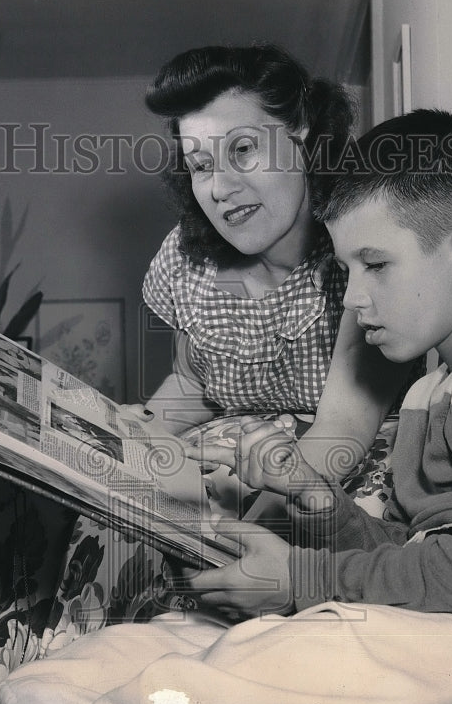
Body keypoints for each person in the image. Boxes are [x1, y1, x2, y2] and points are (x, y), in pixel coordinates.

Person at [0, 109, 452, 704]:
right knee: (120, 660)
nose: (354, 296)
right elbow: (412, 557)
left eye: (376, 265)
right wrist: (317, 502)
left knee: (247, 664)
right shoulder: (433, 389)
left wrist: (303, 580)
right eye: (346, 271)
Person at [130, 44, 417, 497]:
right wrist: (133, 434)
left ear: (300, 131)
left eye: (242, 150)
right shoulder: (188, 259)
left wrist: (251, 532)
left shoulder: (360, 249)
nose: (221, 188)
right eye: (201, 166)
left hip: (339, 478)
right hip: (239, 476)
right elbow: (193, 382)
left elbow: (345, 428)